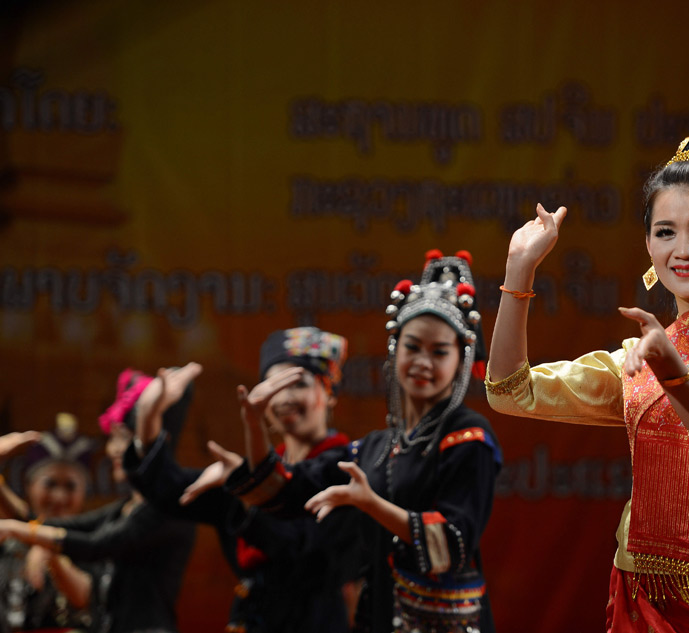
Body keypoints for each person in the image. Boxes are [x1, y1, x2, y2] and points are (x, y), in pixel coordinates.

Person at [485, 107, 689, 633]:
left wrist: (672, 371)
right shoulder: (641, 358)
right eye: (665, 232)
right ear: (648, 244)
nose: (683, 250)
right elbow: (509, 391)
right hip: (638, 590)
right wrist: (520, 270)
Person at [187, 250, 503, 633]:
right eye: (413, 347)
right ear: (395, 349)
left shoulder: (469, 436)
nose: (423, 361)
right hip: (380, 616)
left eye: (440, 352)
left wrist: (372, 504)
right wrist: (254, 428)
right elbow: (285, 493)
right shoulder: (375, 448)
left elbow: (452, 544)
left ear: (461, 362)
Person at [126, 328, 358, 633]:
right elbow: (169, 489)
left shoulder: (346, 468)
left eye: (298, 384)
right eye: (274, 386)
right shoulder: (247, 474)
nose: (285, 397)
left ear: (329, 393)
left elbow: (306, 554)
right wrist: (147, 414)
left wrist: (249, 493)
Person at [0, 371, 197, 633]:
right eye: (113, 439)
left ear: (156, 440)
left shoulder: (167, 506)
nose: (113, 450)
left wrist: (24, 533)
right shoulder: (125, 508)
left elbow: (95, 544)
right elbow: (54, 525)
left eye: (124, 438)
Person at [0, 417, 95, 632]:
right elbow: (21, 517)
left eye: (70, 486)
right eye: (50, 484)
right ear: (29, 485)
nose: (59, 497)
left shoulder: (95, 541)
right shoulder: (12, 531)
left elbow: (85, 599)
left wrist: (49, 549)